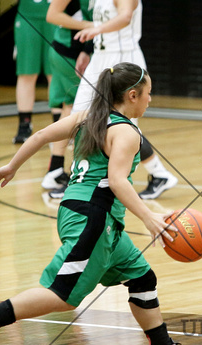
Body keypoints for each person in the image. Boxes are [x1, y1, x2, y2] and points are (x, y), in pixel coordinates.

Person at [0, 62, 199, 345]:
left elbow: (41, 135)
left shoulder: (89, 117)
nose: (150, 100)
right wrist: (148, 216)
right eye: (148, 94)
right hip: (93, 218)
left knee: (142, 277)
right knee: (64, 295)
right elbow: (117, 180)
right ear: (131, 95)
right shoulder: (126, 132)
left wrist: (12, 166)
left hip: (87, 214)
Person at [61, 0, 178, 200]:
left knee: (123, 127)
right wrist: (87, 50)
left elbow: (124, 17)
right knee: (79, 119)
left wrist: (96, 30)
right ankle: (84, 180)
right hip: (100, 57)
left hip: (122, 59)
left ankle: (114, 181)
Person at [41, 0, 94, 193]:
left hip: (73, 52)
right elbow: (52, 15)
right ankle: (76, 173)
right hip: (69, 53)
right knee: (79, 112)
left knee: (69, 109)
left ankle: (55, 170)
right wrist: (89, 26)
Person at [13, 0, 61, 144]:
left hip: (55, 13)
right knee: (26, 73)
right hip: (27, 15)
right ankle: (24, 124)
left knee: (55, 72)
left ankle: (59, 123)